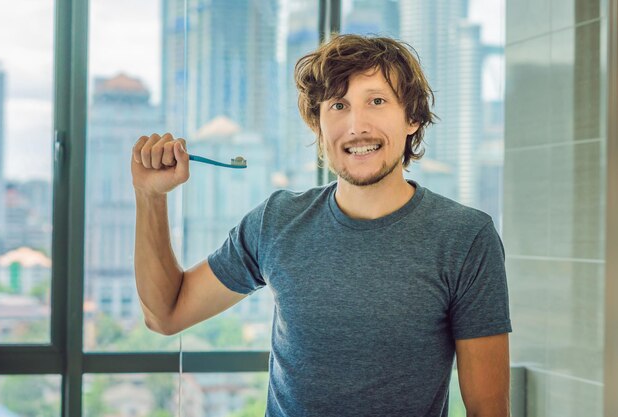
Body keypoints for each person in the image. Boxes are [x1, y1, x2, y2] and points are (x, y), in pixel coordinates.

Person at [131, 34, 512, 417]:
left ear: (412, 117)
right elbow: (165, 314)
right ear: (318, 125)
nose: (356, 125)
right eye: (338, 105)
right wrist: (150, 196)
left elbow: (488, 409)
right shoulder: (276, 222)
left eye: (376, 101)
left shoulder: (466, 238)